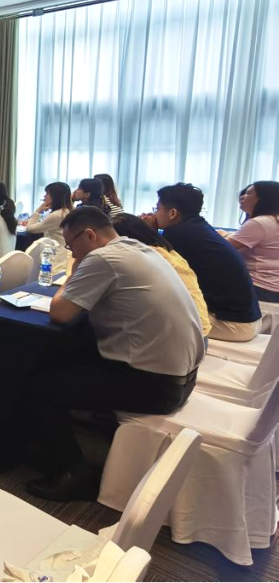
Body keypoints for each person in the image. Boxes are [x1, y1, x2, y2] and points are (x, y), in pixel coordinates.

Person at [28, 207, 204, 500]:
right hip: (184, 376)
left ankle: (72, 474)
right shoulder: (140, 249)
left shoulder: (102, 258)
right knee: (69, 360)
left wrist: (74, 269)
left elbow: (60, 312)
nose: (72, 252)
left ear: (89, 235)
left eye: (71, 246)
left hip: (155, 385)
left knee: (40, 387)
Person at [142, 183, 261, 341]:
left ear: (172, 213)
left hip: (232, 324)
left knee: (147, 313)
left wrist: (145, 230)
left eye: (157, 209)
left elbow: (154, 266)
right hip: (247, 319)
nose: (154, 214)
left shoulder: (178, 234)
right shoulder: (198, 227)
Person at [111, 214, 212, 336]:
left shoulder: (142, 257)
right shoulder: (168, 251)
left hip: (185, 334)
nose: (147, 214)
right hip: (200, 330)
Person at [226, 181, 279, 302]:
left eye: (248, 193)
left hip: (258, 287)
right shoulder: (273, 220)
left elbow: (223, 248)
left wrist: (221, 235)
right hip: (273, 287)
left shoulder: (259, 223)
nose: (242, 197)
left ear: (263, 199)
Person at [23, 181, 73, 273]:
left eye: (47, 194)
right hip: (64, 256)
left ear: (55, 196)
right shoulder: (66, 211)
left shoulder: (57, 215)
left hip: (56, 258)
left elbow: (30, 229)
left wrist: (38, 211)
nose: (44, 196)